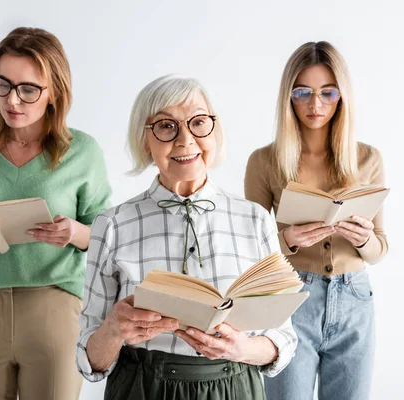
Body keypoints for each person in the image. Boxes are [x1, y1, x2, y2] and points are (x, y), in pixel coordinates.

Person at [76, 74, 298, 400]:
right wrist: (113, 329)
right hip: (141, 386)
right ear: (144, 140)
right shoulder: (112, 225)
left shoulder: (254, 219)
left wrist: (244, 349)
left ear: (214, 130)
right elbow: (89, 362)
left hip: (234, 386)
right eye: (166, 126)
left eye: (198, 122)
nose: (185, 139)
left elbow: (284, 339)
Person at [0, 27, 111, 399]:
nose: (13, 100)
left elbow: (107, 234)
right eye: (2, 84)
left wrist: (73, 232)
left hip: (54, 308)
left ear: (54, 92)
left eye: (28, 89)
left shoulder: (83, 152)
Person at [245, 41, 388, 400]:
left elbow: (379, 249)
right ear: (288, 96)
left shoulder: (367, 158)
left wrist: (363, 239)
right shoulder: (265, 161)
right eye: (303, 92)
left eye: (328, 92)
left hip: (355, 296)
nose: (315, 104)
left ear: (342, 96)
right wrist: (288, 239)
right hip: (291, 297)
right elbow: (247, 252)